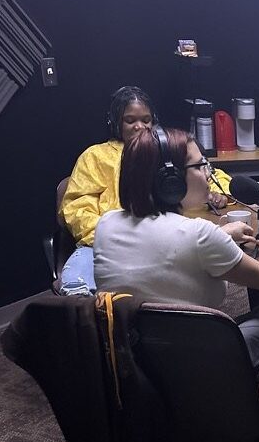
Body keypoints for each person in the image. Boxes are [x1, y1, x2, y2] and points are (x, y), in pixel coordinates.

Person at [93, 126, 259, 379]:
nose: (208, 175)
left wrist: (222, 234)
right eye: (201, 166)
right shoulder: (200, 234)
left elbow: (166, 247)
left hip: (135, 366)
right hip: (202, 371)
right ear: (169, 179)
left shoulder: (106, 224)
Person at [59, 86, 232, 295]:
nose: (139, 126)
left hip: (161, 239)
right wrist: (116, 238)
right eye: (130, 120)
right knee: (78, 292)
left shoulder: (162, 153)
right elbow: (77, 209)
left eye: (146, 120)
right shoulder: (94, 157)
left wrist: (218, 193)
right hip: (102, 244)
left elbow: (202, 171)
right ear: (115, 122)